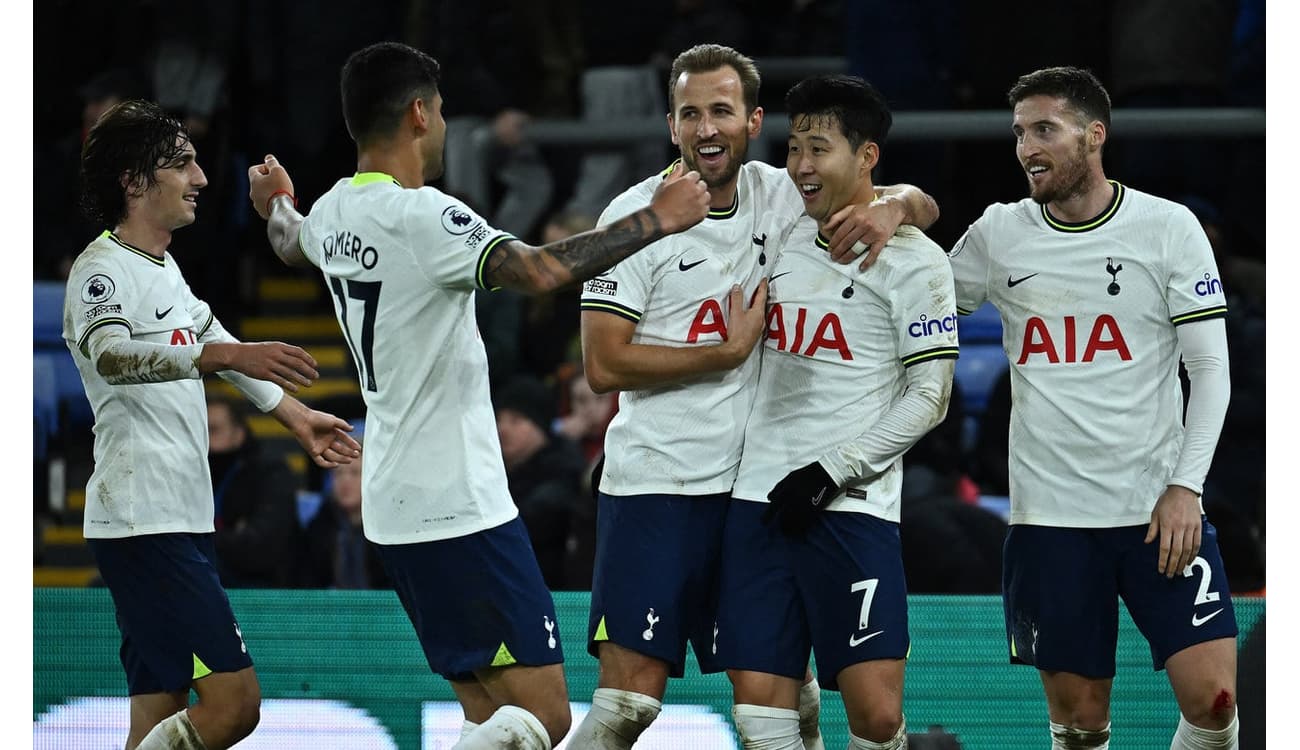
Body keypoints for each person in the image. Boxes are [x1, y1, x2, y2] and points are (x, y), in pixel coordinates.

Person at [247, 41, 712, 750]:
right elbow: (536, 270)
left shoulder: (336, 211)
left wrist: (276, 201)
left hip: (394, 504)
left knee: (489, 720)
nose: (440, 127)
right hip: (458, 504)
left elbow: (289, 239)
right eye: (439, 113)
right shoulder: (424, 216)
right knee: (547, 715)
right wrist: (659, 218)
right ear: (418, 114)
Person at [568, 44, 940, 749]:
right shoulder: (633, 215)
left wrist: (896, 205)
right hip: (659, 483)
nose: (706, 128)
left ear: (751, 120)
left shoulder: (780, 193)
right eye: (689, 114)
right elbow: (602, 365)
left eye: (720, 111)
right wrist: (728, 352)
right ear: (669, 125)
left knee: (786, 696)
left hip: (756, 493)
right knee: (628, 706)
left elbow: (902, 195)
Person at [945, 66, 1239, 749]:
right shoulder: (999, 234)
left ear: (1094, 135)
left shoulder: (1167, 228)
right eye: (1019, 133)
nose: (1026, 148)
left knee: (1216, 702)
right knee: (1081, 725)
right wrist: (902, 204)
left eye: (1044, 129)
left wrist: (1185, 487)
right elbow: (916, 300)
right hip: (1050, 520)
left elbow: (1211, 372)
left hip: (1158, 510)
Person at [63, 99, 361, 750]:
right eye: (182, 164)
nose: (201, 178)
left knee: (157, 712)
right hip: (144, 521)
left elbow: (213, 334)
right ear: (134, 182)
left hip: (177, 516)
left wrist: (294, 414)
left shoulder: (163, 266)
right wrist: (221, 356)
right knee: (235, 705)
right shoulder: (100, 271)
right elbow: (113, 356)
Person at [715, 73, 958, 750]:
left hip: (851, 507)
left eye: (819, 149)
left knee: (877, 720)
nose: (801, 166)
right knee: (761, 716)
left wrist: (833, 471)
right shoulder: (780, 227)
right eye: (793, 149)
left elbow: (931, 397)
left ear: (867, 156)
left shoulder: (917, 263)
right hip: (755, 500)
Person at [494, 375, 586, 590]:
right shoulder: (492, 471)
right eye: (499, 419)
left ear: (540, 426)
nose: (502, 428)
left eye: (515, 420)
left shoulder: (564, 470)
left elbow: (533, 519)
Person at [207, 395, 302, 588]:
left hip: (270, 593)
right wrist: (232, 536)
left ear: (239, 434)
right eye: (200, 431)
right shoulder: (194, 474)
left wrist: (206, 540)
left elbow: (262, 548)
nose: (205, 440)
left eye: (213, 430)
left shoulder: (270, 473)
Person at [299, 427, 391, 589]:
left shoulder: (389, 528)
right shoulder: (320, 525)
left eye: (355, 473)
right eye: (338, 474)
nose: (345, 481)